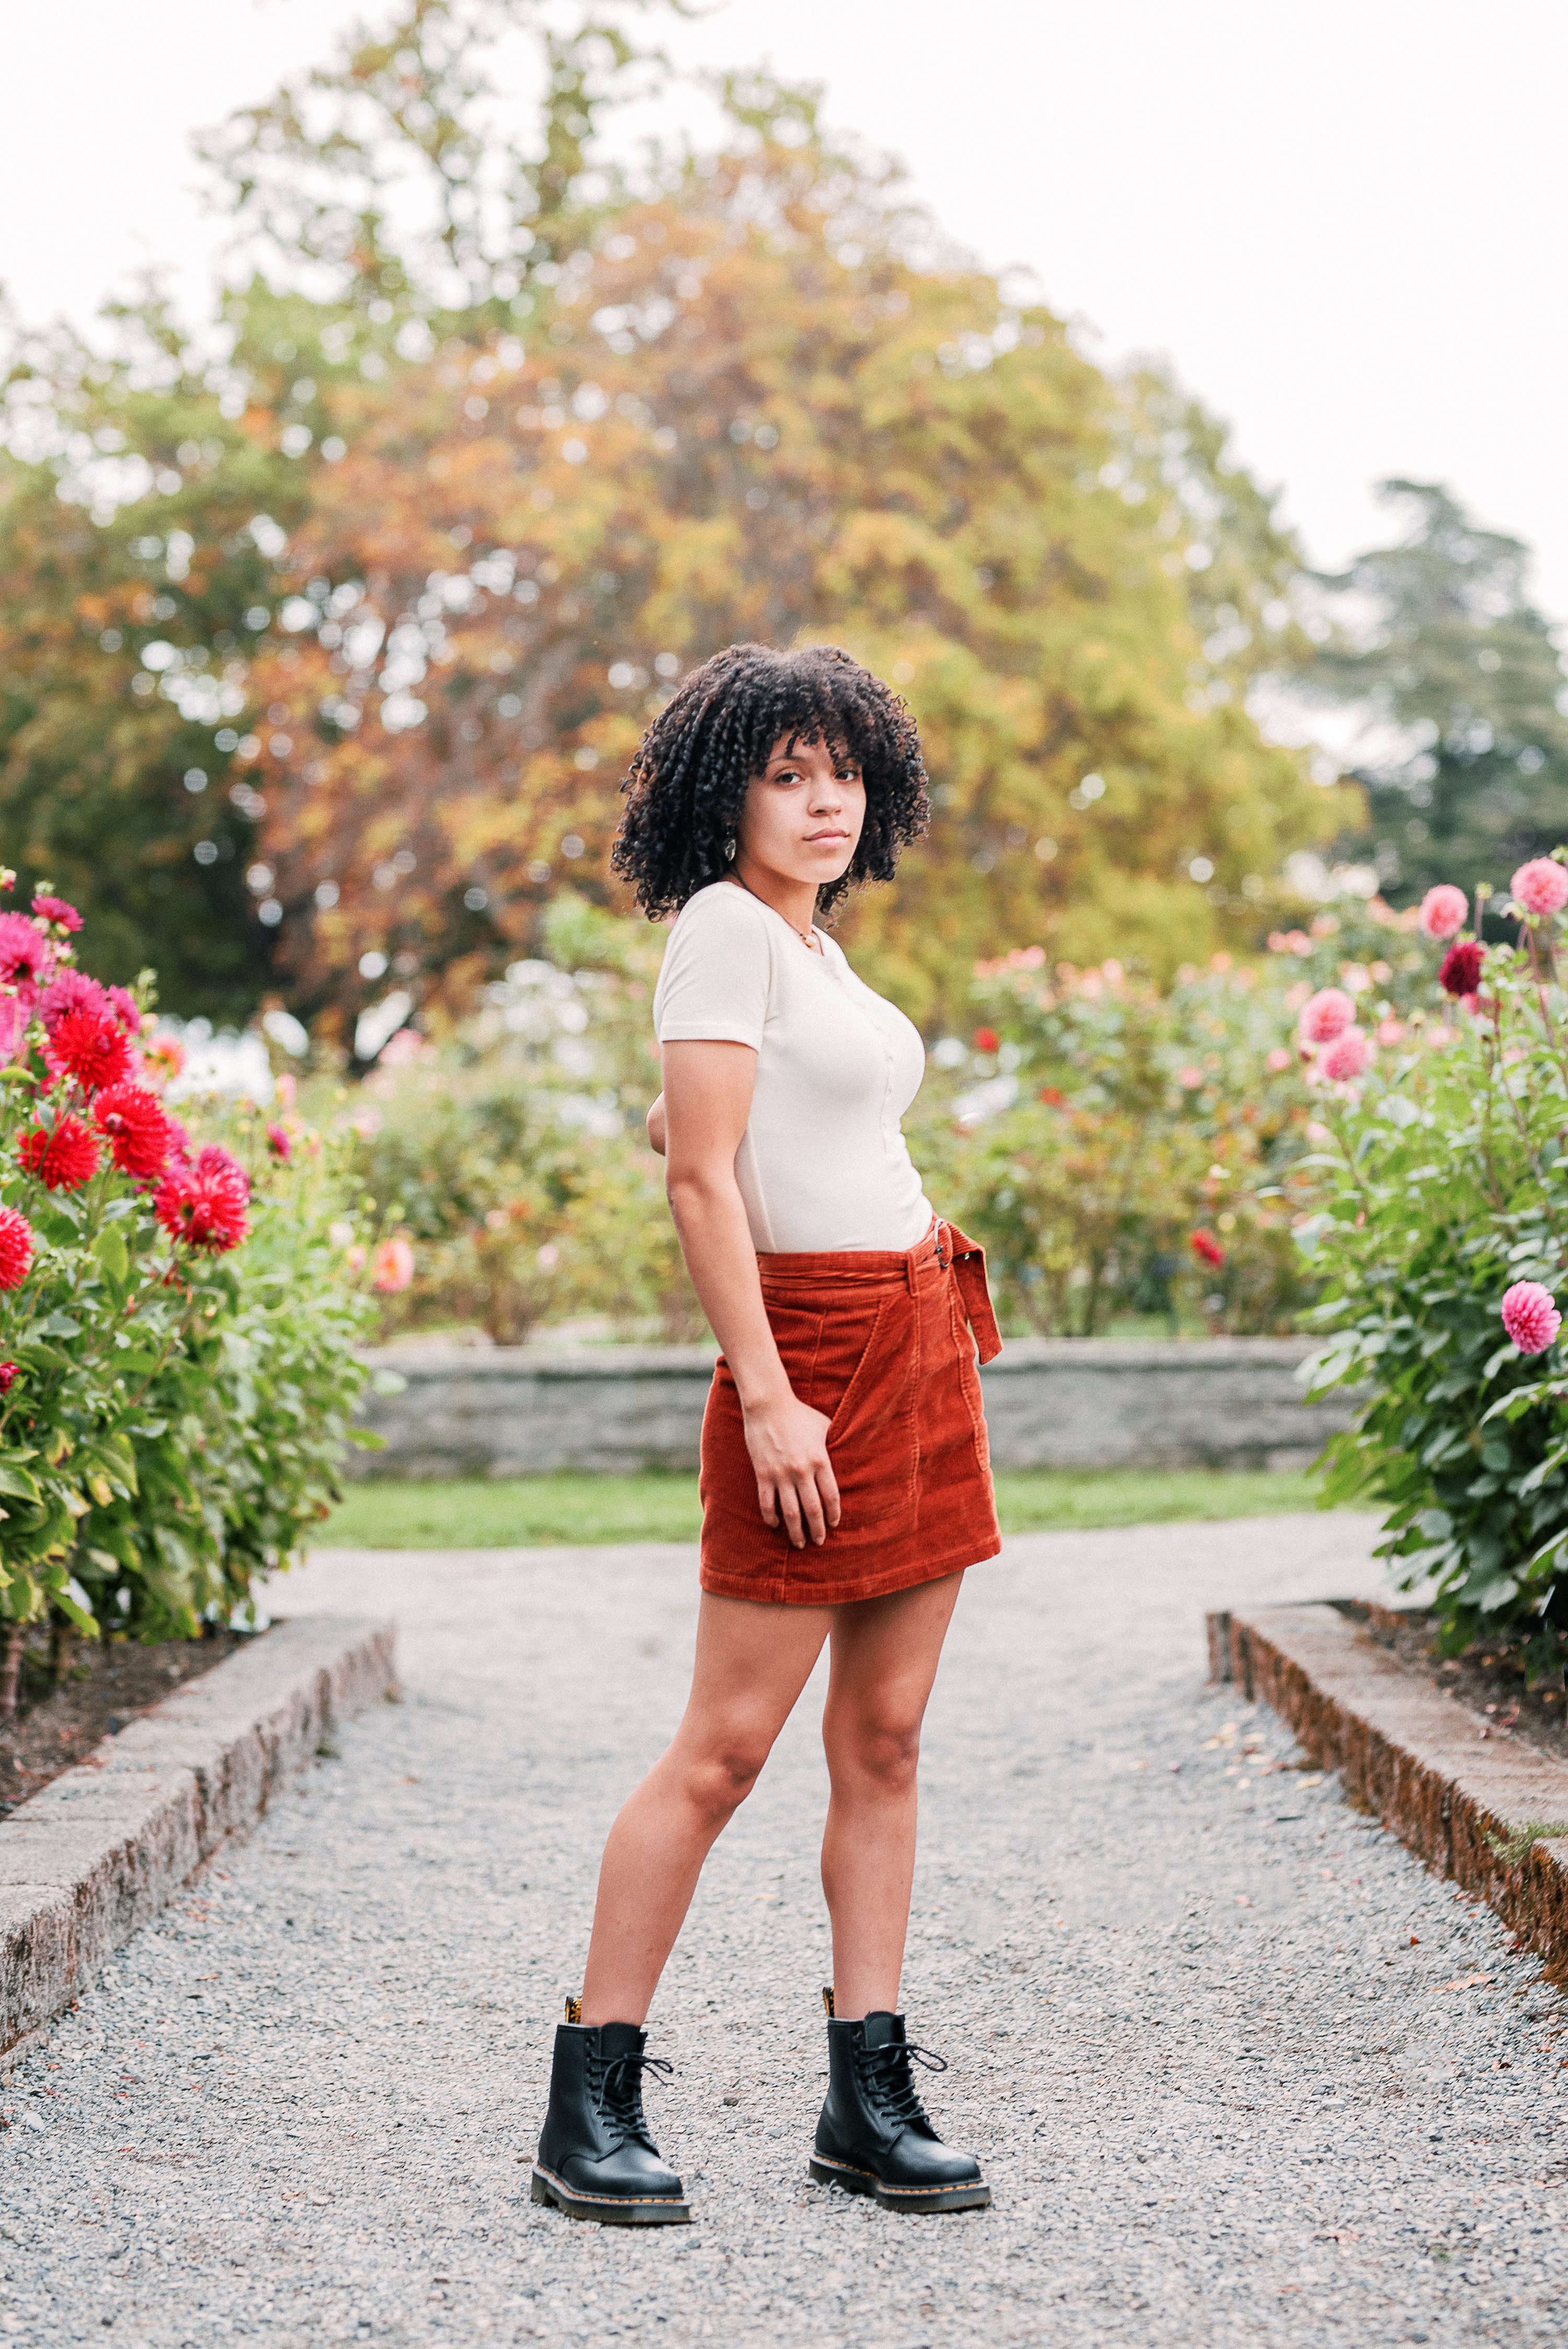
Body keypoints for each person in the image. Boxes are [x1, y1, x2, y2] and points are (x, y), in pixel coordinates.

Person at [531, 642, 1003, 2228]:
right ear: (720, 790)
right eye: (786, 773)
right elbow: (698, 1183)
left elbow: (722, 1123)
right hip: (804, 1358)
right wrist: (766, 1390)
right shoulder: (726, 927)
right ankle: (586, 2099)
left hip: (917, 1341)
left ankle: (866, 2099)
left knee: (885, 1741)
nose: (821, 801)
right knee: (727, 1750)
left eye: (843, 774)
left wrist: (686, 1115)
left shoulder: (812, 945)